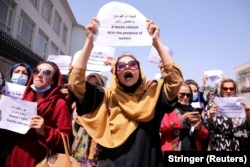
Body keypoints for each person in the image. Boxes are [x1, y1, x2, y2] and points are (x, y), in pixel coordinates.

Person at [68, 18, 183, 167]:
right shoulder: (106, 96)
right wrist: (89, 41)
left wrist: (157, 43)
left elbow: (175, 80)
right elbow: (75, 82)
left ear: (140, 70)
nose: (127, 68)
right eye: (121, 66)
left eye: (132, 64)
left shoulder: (153, 96)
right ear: (115, 73)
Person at [0, 61, 72, 166]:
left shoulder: (59, 103)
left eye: (47, 72)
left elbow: (66, 138)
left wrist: (44, 130)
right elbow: (9, 134)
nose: (39, 74)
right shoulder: (23, 98)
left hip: (40, 159)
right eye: (37, 71)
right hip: (16, 155)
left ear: (53, 80)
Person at [159, 82, 209, 151]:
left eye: (188, 95)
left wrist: (199, 128)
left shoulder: (193, 110)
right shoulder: (167, 109)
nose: (185, 97)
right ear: (175, 94)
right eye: (182, 95)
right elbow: (161, 127)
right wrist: (182, 119)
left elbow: (205, 135)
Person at [203, 78, 250, 151]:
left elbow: (248, 124)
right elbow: (206, 126)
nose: (228, 91)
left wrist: (248, 112)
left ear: (235, 90)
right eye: (225, 89)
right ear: (221, 90)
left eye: (231, 89)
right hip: (220, 144)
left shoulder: (241, 104)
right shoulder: (213, 104)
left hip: (240, 144)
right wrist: (211, 115)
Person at [71, 72, 105, 167]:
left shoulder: (107, 109)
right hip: (76, 160)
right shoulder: (76, 109)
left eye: (97, 84)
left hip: (99, 160)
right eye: (89, 84)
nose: (92, 87)